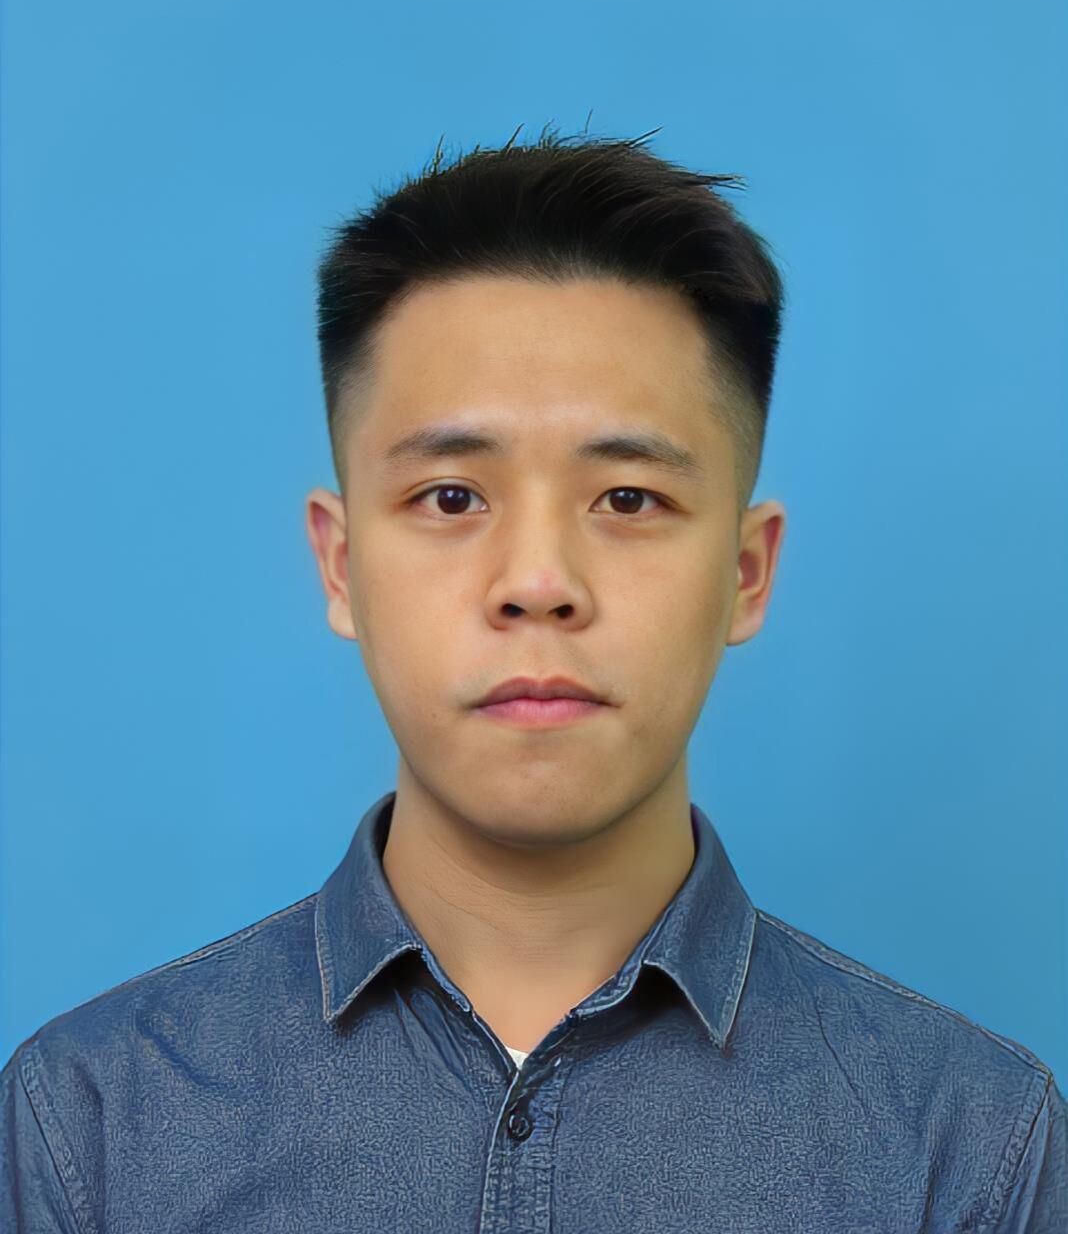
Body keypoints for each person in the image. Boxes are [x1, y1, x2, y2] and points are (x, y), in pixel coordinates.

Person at [3, 124, 1064, 1232]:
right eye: (452, 497)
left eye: (629, 499)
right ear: (341, 563)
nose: (539, 583)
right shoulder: (90, 1126)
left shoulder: (973, 1150)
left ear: (746, 573)